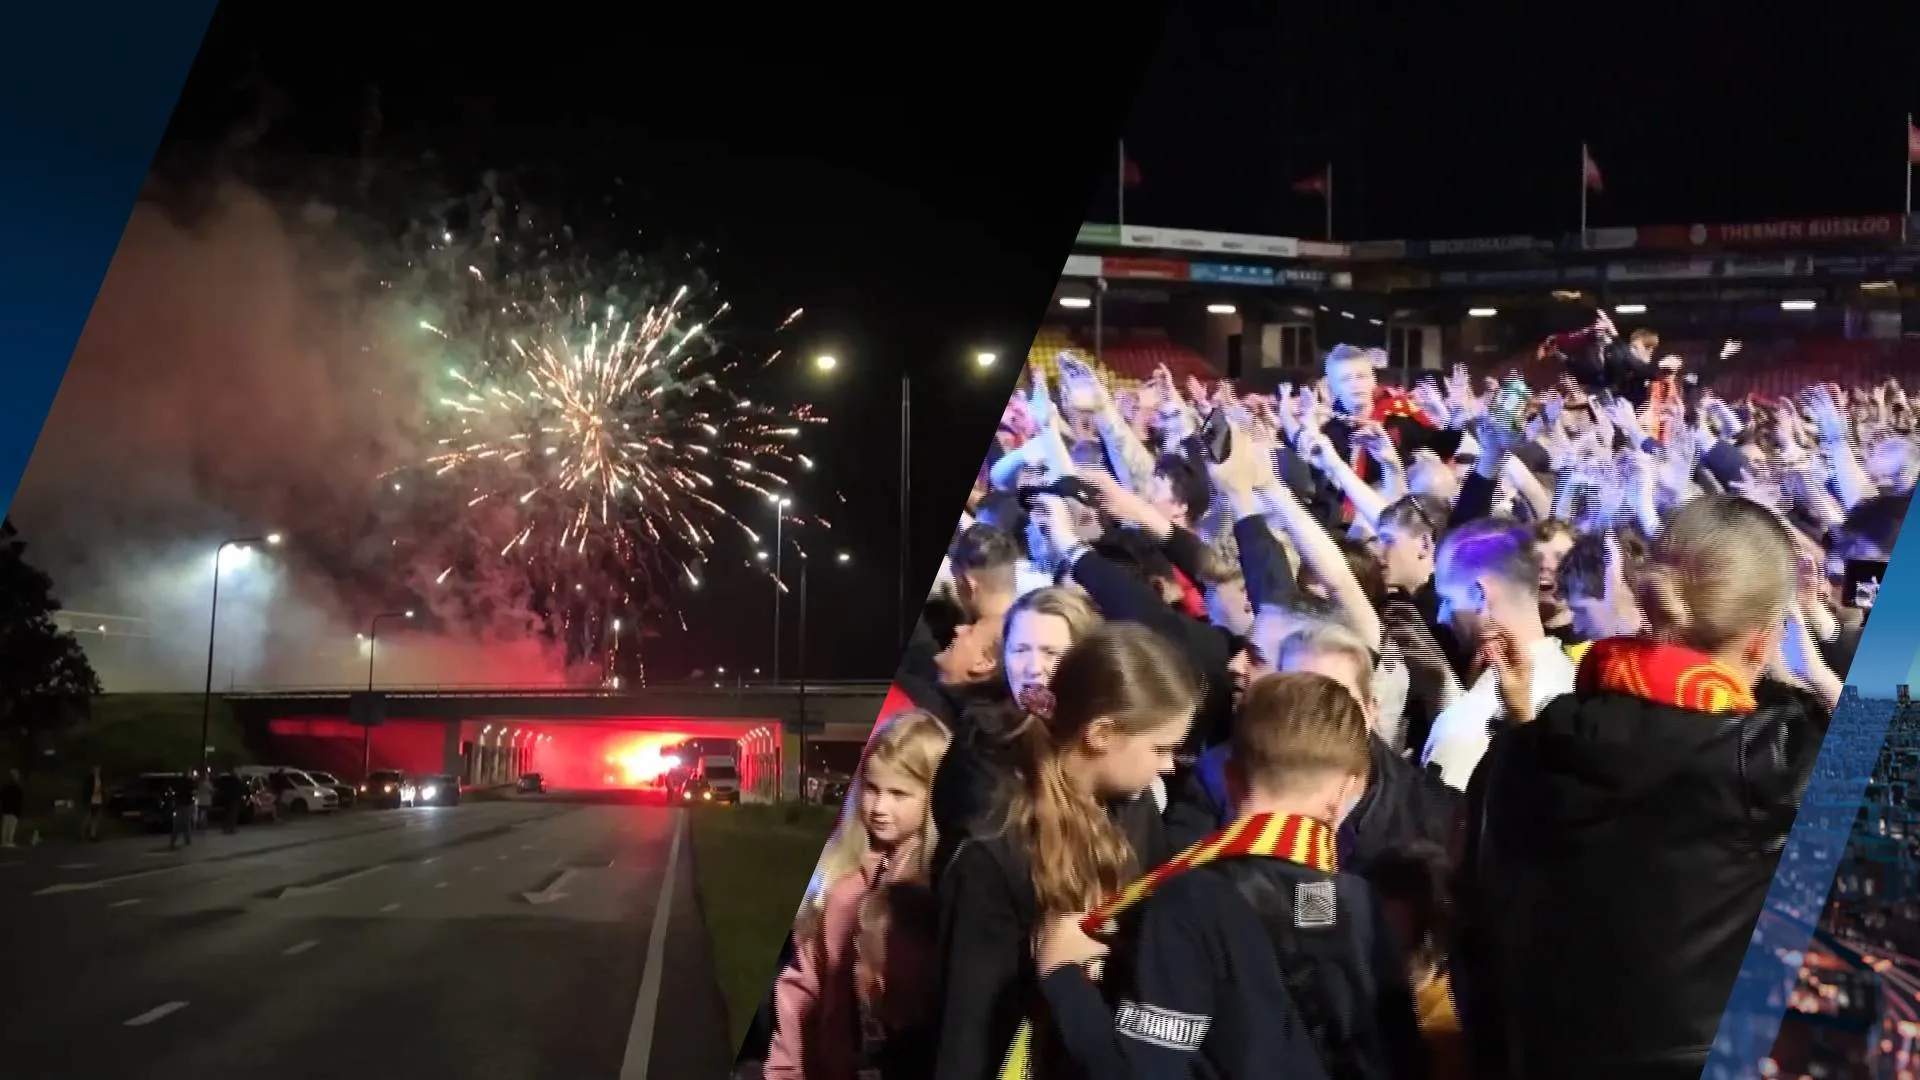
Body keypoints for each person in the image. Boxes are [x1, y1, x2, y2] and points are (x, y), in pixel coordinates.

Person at [1453, 494, 1833, 1080]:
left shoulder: (1540, 735)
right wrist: (1808, 677)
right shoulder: (1775, 760)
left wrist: (1520, 718)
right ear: (1763, 640)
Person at [1029, 672, 1425, 1080]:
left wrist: (1063, 978)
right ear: (1347, 790)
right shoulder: (1361, 906)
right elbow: (1405, 1059)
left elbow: (1141, 1071)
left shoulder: (1188, 902)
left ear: (1230, 778)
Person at [933, 623, 1198, 1080]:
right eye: (1161, 748)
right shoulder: (993, 852)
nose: (1168, 766)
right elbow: (966, 1035)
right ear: (1101, 733)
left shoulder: (1135, 812)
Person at [767, 710, 952, 1080]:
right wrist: (785, 1072)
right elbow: (803, 989)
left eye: (899, 793)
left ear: (935, 794)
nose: (879, 808)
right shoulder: (839, 874)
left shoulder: (940, 882)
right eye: (872, 788)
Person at [1420, 518, 1578, 791]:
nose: (1441, 615)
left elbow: (1443, 827)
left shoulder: (1466, 727)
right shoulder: (1575, 675)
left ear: (1479, 594)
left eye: (1447, 600)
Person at [0, 769, 24, 848]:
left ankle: (5, 841)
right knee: (9, 826)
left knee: (7, 825)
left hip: (8, 809)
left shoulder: (6, 786)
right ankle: (8, 841)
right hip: (12, 810)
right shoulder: (16, 787)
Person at [82, 766, 105, 841]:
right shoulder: (90, 779)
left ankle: (93, 835)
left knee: (96, 818)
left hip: (98, 799)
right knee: (88, 816)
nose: (97, 771)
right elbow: (87, 789)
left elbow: (101, 788)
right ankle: (82, 833)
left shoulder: (100, 778)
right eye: (96, 769)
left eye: (98, 769)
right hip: (92, 799)